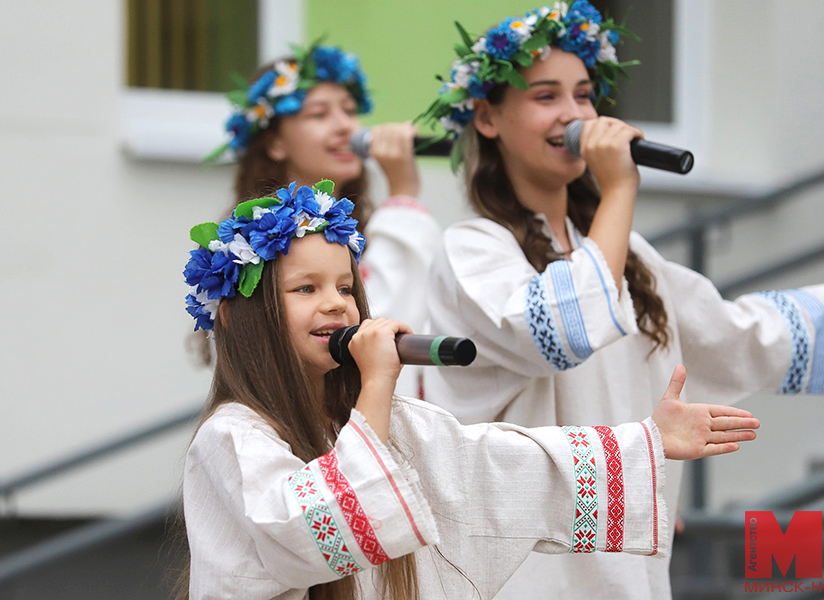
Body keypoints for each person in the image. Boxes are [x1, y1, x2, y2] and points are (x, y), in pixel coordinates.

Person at [418, 2, 824, 598]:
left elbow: (734, 333)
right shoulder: (471, 249)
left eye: (585, 94)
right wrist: (620, 186)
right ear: (488, 118)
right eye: (546, 97)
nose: (573, 114)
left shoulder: (633, 255)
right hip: (525, 565)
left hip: (619, 550)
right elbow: (560, 333)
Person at [178, 181, 760, 600]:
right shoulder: (230, 438)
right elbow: (315, 531)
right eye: (305, 288)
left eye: (344, 286)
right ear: (236, 316)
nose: (336, 302)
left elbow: (502, 465)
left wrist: (645, 444)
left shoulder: (391, 422)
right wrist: (378, 382)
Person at [203, 42, 441, 395]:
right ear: (276, 144)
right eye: (319, 114)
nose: (345, 126)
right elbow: (368, 334)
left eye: (349, 110)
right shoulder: (250, 247)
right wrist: (403, 194)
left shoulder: (365, 227)